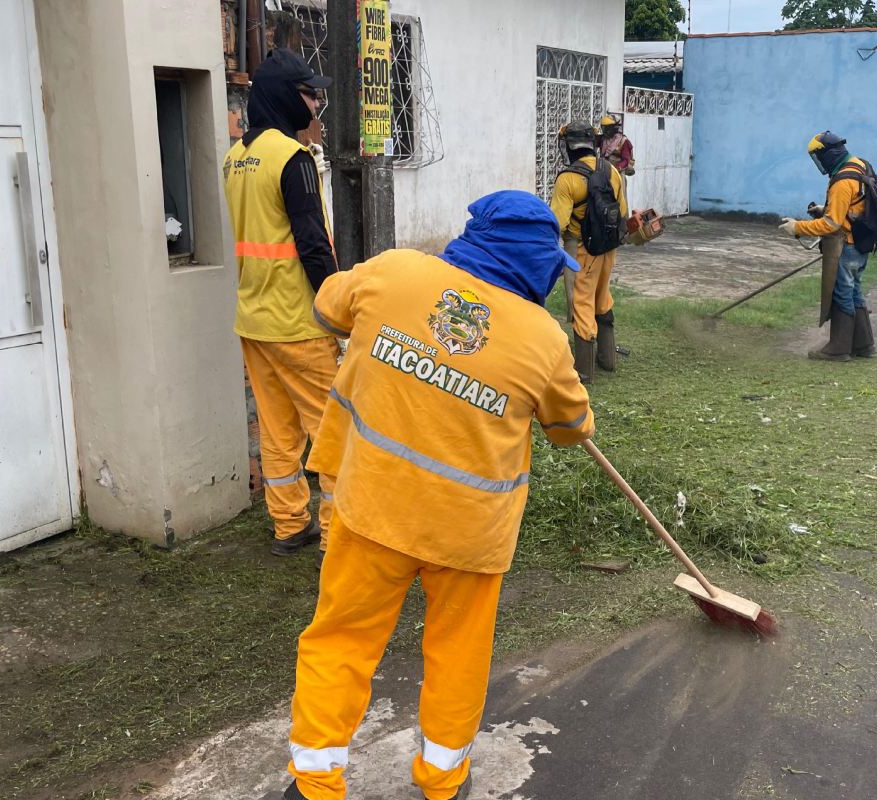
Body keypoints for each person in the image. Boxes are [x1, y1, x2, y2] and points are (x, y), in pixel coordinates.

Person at [265, 190, 595, 800]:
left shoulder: (395, 272)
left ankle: (313, 784)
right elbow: (572, 431)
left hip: (372, 509)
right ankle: (443, 784)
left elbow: (328, 309)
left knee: (341, 641)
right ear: (540, 265)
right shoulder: (543, 338)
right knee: (456, 657)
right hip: (468, 535)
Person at [223, 48, 339, 556]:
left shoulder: (236, 158)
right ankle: (340, 535)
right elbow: (313, 244)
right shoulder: (292, 159)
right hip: (299, 322)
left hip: (255, 319)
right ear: (285, 97)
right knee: (334, 430)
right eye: (310, 94)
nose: (315, 104)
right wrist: (339, 308)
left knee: (277, 431)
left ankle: (290, 526)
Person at [776, 131, 877, 362]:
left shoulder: (842, 181)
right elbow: (856, 206)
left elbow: (831, 225)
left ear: (829, 155)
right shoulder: (859, 164)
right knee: (855, 292)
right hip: (862, 243)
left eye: (818, 158)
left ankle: (838, 348)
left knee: (842, 293)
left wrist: (798, 227)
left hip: (847, 245)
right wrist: (827, 208)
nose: (819, 163)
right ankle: (864, 344)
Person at [549, 121, 629, 384]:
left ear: (569, 146)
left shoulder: (567, 179)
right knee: (602, 295)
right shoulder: (612, 171)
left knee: (582, 302)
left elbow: (557, 223)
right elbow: (623, 212)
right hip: (609, 248)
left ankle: (584, 372)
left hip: (582, 248)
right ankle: (607, 359)